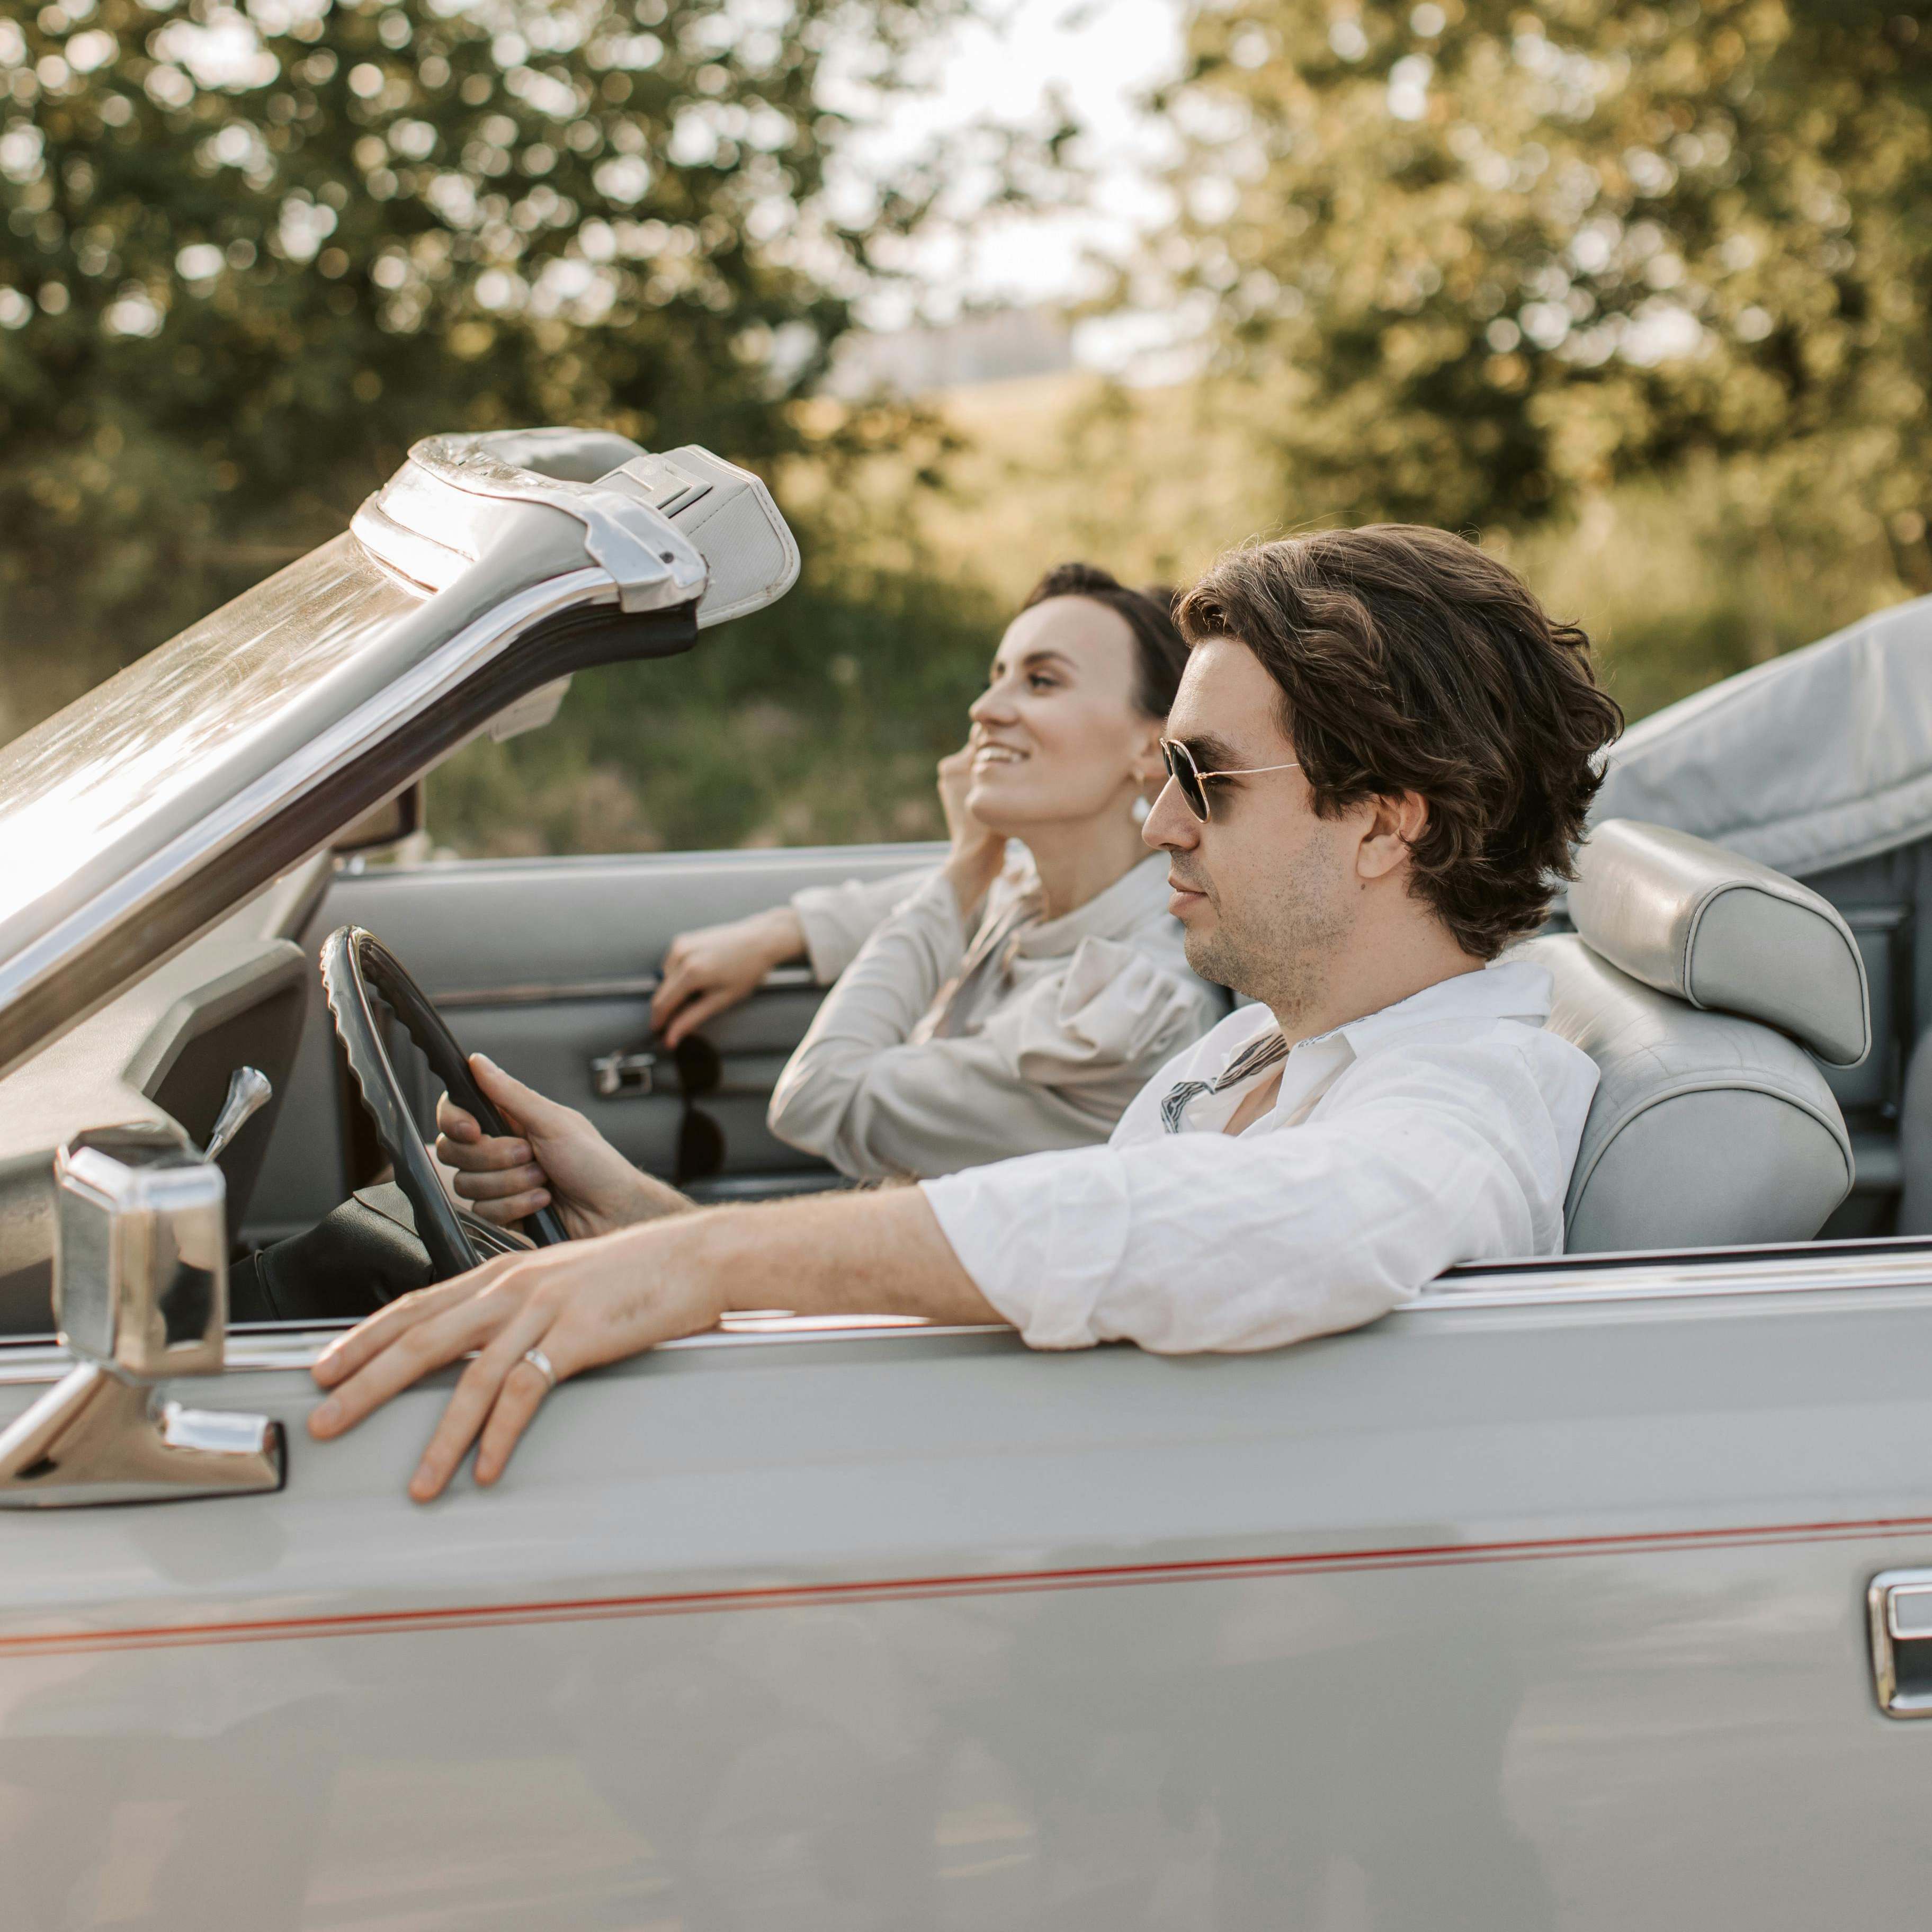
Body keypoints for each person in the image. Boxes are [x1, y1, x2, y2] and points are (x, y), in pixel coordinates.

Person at [308, 525, 1623, 1502]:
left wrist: (707, 1269)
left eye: (1205, 780)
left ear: (1389, 825)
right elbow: (1043, 1292)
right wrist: (645, 1224)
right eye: (1164, 770)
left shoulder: (1466, 1103)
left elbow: (1229, 1227)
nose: (1159, 821)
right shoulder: (1257, 1044)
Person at [442, 564, 1227, 1217]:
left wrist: (964, 864)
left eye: (1042, 681)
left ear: (1148, 751)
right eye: (995, 678)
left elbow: (816, 1098)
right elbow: (915, 903)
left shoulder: (1130, 1005)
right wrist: (786, 931)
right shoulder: (1038, 890)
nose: (985, 710)